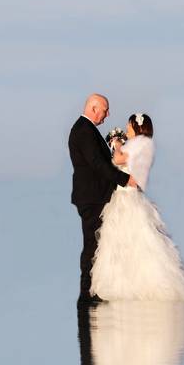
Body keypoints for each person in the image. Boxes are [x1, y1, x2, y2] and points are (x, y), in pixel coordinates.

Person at [90, 113, 184, 301]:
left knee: (133, 242)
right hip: (125, 196)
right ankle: (124, 284)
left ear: (137, 127)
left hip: (127, 199)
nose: (127, 129)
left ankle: (136, 286)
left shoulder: (139, 143)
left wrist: (116, 143)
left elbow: (118, 160)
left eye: (129, 126)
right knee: (123, 243)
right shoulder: (143, 144)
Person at [69, 94, 138, 304]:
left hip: (94, 195)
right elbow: (98, 164)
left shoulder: (87, 129)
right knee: (92, 243)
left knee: (97, 243)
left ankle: (93, 290)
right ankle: (87, 293)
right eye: (105, 110)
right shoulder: (83, 130)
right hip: (91, 197)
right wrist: (126, 179)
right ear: (93, 107)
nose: (108, 114)